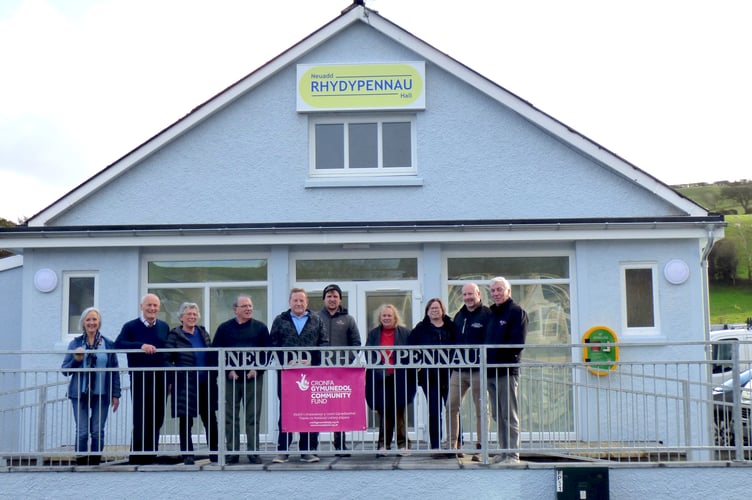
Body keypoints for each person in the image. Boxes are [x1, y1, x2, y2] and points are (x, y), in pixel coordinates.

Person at [270, 288, 329, 463]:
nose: (298, 304)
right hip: (287, 374)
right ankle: (283, 450)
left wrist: (312, 360)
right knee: (286, 411)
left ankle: (308, 450)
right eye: (295, 300)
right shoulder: (280, 320)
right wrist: (284, 361)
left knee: (309, 412)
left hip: (310, 373)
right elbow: (272, 344)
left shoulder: (317, 320)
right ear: (290, 302)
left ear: (307, 302)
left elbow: (324, 344)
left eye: (301, 301)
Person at [212, 295, 271, 465]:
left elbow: (267, 352)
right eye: (244, 306)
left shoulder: (260, 328)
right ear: (235, 309)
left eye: (250, 306)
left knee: (253, 415)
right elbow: (216, 351)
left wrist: (257, 369)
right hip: (231, 378)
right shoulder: (224, 328)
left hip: (253, 378)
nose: (248, 309)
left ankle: (253, 452)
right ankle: (232, 452)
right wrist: (228, 370)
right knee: (230, 416)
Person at [115, 293, 170, 465]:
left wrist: (169, 379)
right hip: (140, 378)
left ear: (159, 308)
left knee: (157, 417)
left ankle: (151, 455)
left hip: (160, 378)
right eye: (149, 305)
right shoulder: (131, 327)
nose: (152, 309)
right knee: (141, 417)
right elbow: (118, 344)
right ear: (141, 307)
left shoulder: (164, 327)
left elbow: (168, 353)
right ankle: (137, 457)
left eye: (155, 305)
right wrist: (140, 346)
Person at [61, 307, 121, 466]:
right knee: (82, 432)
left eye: (94, 319)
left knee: (97, 432)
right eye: (88, 320)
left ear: (99, 322)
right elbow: (65, 370)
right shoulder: (75, 343)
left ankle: (95, 464)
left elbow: (114, 370)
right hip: (79, 394)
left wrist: (116, 394)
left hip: (101, 393)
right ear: (83, 323)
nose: (91, 323)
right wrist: (77, 359)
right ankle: (81, 464)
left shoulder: (108, 344)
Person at [165, 302, 219, 465]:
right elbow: (167, 360)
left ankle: (215, 453)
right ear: (181, 317)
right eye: (188, 314)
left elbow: (211, 356)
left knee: (210, 418)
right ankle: (187, 454)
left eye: (194, 314)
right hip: (185, 383)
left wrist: (214, 374)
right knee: (186, 419)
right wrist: (174, 377)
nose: (192, 317)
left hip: (205, 383)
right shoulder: (175, 335)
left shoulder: (203, 332)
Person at [446, 283, 493, 461]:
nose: (468, 297)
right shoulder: (459, 315)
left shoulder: (487, 315)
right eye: (465, 294)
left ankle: (481, 448)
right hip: (459, 370)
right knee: (451, 406)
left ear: (478, 294)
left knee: (481, 408)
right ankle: (452, 446)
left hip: (478, 370)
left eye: (471, 294)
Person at [485, 276, 528, 464]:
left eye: (499, 289)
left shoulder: (516, 312)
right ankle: (503, 451)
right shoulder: (491, 313)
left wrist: (497, 353)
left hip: (507, 371)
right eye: (493, 290)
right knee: (497, 414)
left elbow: (517, 343)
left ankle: (512, 454)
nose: (496, 293)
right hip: (490, 372)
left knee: (509, 414)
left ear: (508, 291)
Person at [316, 283, 361, 456]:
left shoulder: (348, 319)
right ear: (324, 299)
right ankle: (313, 445)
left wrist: (346, 360)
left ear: (340, 299)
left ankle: (340, 444)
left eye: (335, 296)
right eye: (329, 296)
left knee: (339, 409)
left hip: (341, 371)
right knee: (317, 407)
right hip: (320, 370)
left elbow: (356, 343)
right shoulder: (315, 317)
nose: (332, 299)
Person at [365, 303, 415, 456]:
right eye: (384, 316)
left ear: (395, 318)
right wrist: (379, 367)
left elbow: (410, 353)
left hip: (399, 377)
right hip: (381, 377)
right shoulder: (374, 334)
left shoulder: (405, 333)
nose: (386, 318)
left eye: (389, 316)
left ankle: (403, 445)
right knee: (384, 410)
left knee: (399, 410)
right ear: (380, 318)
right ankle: (383, 445)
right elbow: (369, 353)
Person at [409, 297, 455, 458]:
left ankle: (456, 445)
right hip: (430, 377)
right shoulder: (421, 328)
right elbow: (409, 348)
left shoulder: (451, 326)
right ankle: (435, 446)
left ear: (442, 310)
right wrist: (419, 368)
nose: (434, 311)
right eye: (431, 309)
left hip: (450, 376)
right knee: (434, 411)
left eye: (437, 308)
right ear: (427, 312)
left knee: (452, 410)